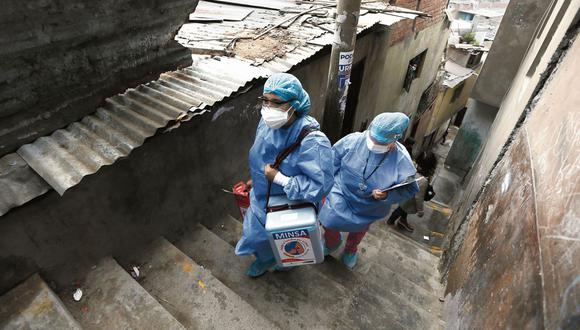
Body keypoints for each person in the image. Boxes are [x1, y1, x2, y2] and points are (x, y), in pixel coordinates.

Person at [235, 73, 334, 277]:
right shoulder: (268, 123)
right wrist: (258, 178)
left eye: (277, 102)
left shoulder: (313, 141)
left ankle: (287, 261)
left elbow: (320, 186)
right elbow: (262, 155)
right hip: (262, 197)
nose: (269, 108)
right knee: (255, 236)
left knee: (287, 240)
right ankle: (266, 259)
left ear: (295, 105)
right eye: (265, 101)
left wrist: (280, 179)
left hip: (290, 203)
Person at [319, 112, 419, 269]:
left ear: (395, 139)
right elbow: (332, 161)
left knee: (358, 230)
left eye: (380, 142)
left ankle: (351, 250)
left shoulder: (401, 160)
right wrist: (325, 185)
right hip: (342, 192)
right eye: (372, 138)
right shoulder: (353, 140)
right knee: (328, 219)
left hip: (370, 205)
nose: (373, 144)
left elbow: (409, 189)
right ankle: (332, 242)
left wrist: (387, 195)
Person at [387, 151, 438, 232]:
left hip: (405, 194)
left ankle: (402, 221)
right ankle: (391, 221)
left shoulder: (413, 168)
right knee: (401, 210)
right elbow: (419, 197)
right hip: (409, 199)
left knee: (404, 209)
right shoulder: (423, 181)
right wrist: (420, 210)